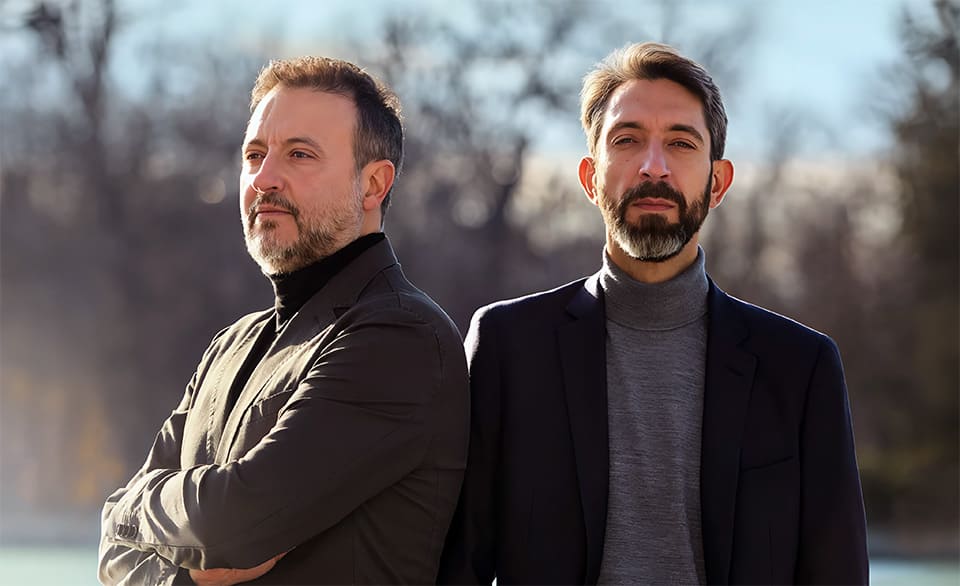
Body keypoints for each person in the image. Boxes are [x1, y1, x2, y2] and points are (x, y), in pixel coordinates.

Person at [438, 42, 868, 585]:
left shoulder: (800, 367)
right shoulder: (508, 346)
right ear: (590, 177)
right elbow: (459, 566)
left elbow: (837, 572)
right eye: (628, 140)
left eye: (681, 143)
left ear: (718, 182)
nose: (654, 166)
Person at [98, 56, 469, 585]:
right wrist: (157, 540)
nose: (265, 178)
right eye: (255, 154)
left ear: (373, 185)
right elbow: (114, 553)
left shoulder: (400, 335)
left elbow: (234, 524)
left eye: (299, 154)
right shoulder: (229, 345)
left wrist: (132, 509)